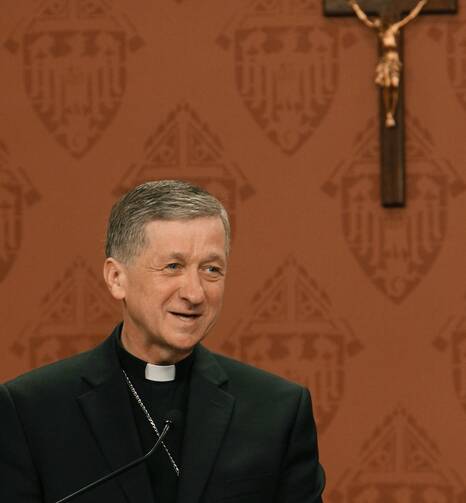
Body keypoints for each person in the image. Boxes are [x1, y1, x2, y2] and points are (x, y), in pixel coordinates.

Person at [0, 180, 325, 502]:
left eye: (212, 269)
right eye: (173, 266)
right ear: (116, 278)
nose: (195, 293)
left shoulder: (277, 410)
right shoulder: (32, 410)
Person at [348, 0, 428, 127]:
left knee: (395, 85)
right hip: (385, 62)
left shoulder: (394, 28)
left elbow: (410, 17)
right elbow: (364, 19)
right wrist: (355, 7)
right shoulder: (380, 32)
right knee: (386, 86)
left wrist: (421, 4)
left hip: (394, 61)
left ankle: (392, 110)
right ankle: (388, 114)